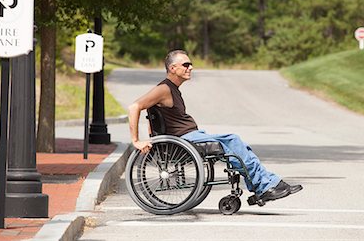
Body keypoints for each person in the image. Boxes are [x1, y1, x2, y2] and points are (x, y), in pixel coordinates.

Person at [128, 49, 303, 203]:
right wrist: (136, 141)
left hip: (189, 136)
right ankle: (265, 185)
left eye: (191, 64)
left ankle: (265, 184)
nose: (191, 68)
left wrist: (155, 135)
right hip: (185, 139)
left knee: (237, 144)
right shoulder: (164, 88)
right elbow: (135, 106)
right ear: (173, 68)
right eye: (186, 64)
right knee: (233, 141)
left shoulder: (172, 89)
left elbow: (154, 118)